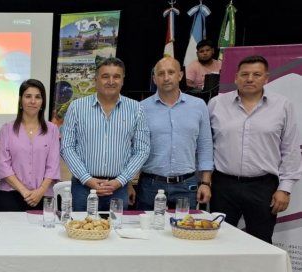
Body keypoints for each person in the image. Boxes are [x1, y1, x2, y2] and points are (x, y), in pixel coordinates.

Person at [208, 55, 302, 243]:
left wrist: (285, 188)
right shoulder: (216, 104)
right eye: (245, 74)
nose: (250, 79)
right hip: (223, 186)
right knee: (218, 241)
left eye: (256, 74)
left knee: (260, 243)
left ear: (266, 78)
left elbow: (290, 149)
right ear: (235, 77)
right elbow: (206, 145)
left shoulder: (282, 106)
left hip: (263, 187)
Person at [61, 57, 150, 211]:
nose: (111, 81)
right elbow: (67, 147)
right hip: (83, 188)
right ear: (96, 80)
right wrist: (87, 179)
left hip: (118, 188)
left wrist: (120, 180)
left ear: (122, 80)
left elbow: (142, 150)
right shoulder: (76, 107)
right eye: (105, 76)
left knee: (116, 233)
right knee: (81, 232)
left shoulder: (136, 109)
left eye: (116, 76)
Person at [135, 57, 213, 210]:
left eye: (171, 72)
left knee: (184, 231)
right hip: (150, 185)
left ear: (180, 75)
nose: (166, 77)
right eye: (161, 73)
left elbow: (205, 145)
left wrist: (205, 183)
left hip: (186, 185)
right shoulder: (140, 108)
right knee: (148, 232)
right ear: (154, 78)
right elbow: (133, 148)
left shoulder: (198, 105)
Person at [0, 79, 60, 211]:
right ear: (20, 101)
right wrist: (24, 191)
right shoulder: (7, 129)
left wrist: (40, 191)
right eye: (28, 96)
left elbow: (53, 166)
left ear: (43, 102)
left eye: (38, 97)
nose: (33, 101)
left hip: (43, 196)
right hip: (10, 195)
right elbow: (3, 165)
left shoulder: (52, 129)